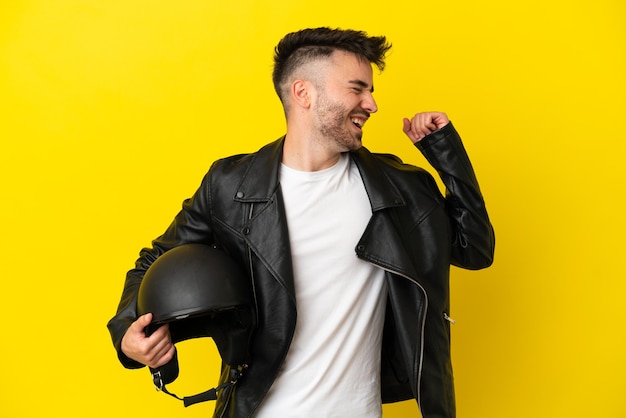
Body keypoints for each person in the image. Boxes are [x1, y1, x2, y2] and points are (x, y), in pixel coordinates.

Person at [107, 27, 495, 418]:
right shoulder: (230, 187)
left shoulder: (399, 188)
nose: (372, 103)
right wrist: (127, 333)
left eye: (371, 90)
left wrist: (446, 154)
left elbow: (474, 249)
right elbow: (154, 259)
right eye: (357, 88)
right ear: (303, 93)